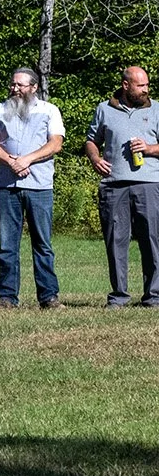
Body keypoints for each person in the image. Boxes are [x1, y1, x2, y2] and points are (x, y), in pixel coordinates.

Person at [0, 68, 66, 309]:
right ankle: (7, 297)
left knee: (42, 243)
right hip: (7, 185)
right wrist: (11, 162)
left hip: (39, 185)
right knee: (7, 245)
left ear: (34, 87)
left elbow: (55, 143)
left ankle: (49, 297)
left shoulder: (49, 111)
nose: (15, 89)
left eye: (20, 85)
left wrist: (26, 160)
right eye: (13, 84)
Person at [84, 66, 159, 306]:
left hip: (149, 184)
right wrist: (95, 159)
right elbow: (91, 141)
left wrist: (149, 149)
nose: (146, 89)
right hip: (114, 185)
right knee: (116, 241)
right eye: (141, 85)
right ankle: (119, 296)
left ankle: (154, 296)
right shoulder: (104, 109)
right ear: (126, 85)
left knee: (152, 239)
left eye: (147, 85)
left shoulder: (157, 109)